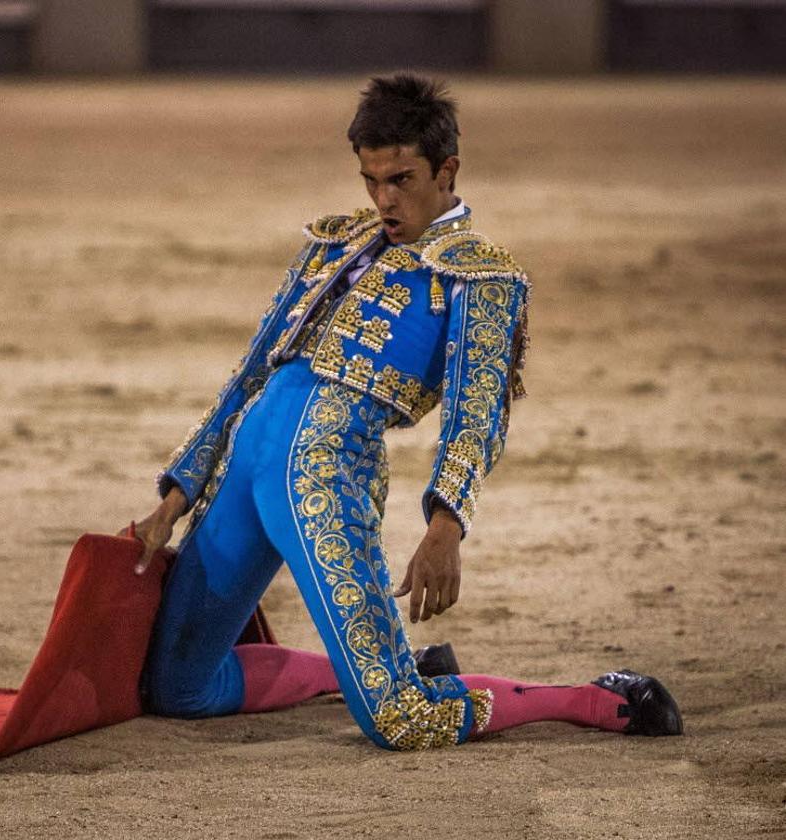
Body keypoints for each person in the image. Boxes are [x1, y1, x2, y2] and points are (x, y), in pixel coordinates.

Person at [130, 74, 682, 750]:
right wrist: (177, 492)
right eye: (371, 180)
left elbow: (477, 412)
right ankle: (366, 672)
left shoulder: (481, 276)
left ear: (447, 169)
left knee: (402, 720)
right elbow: (251, 370)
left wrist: (446, 527)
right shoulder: (333, 244)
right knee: (179, 688)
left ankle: (596, 701)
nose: (385, 200)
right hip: (245, 464)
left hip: (321, 474)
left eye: (402, 179)